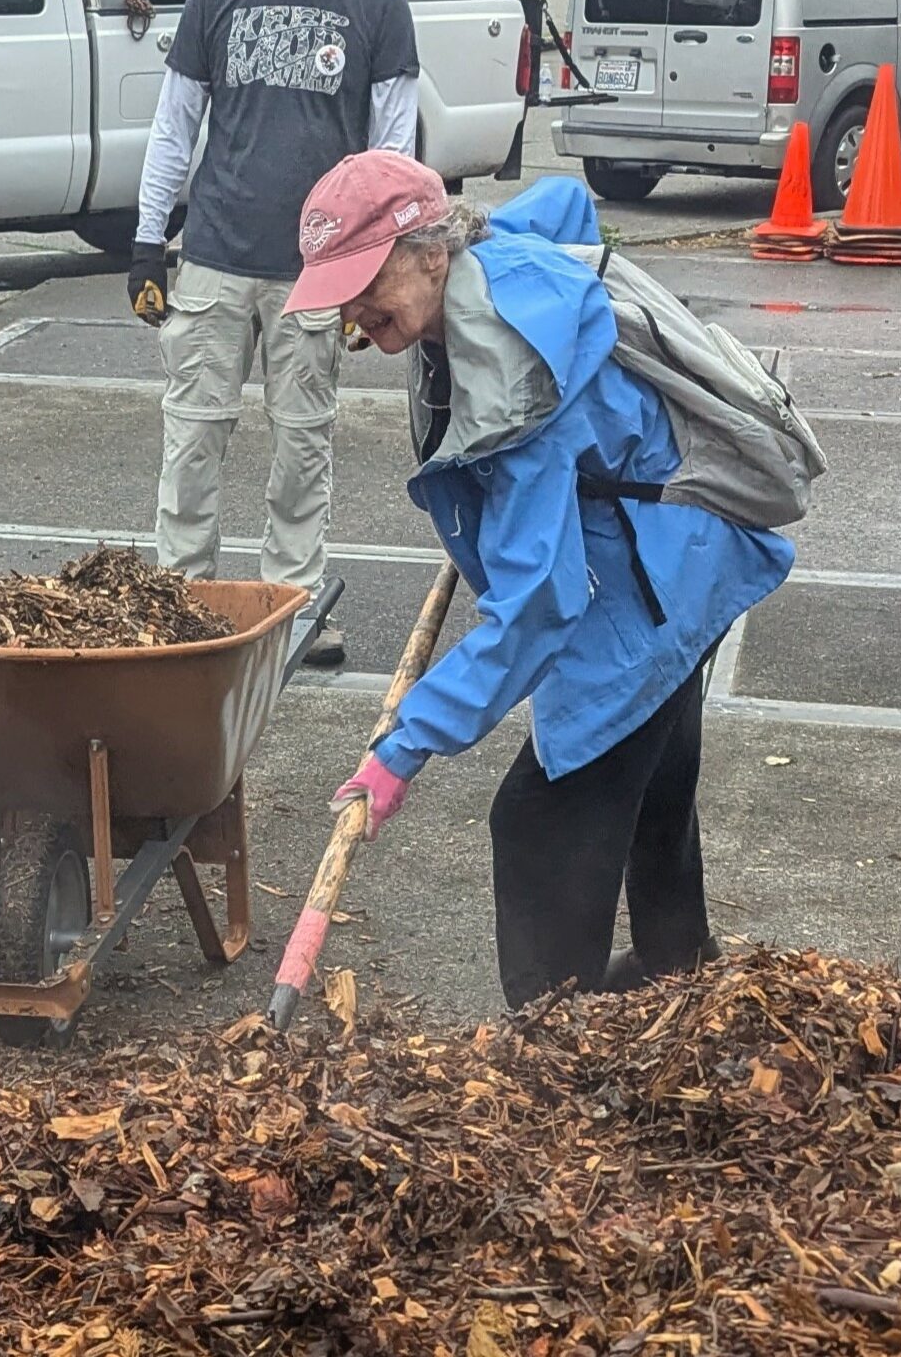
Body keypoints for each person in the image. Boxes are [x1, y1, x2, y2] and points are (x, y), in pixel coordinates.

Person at [289, 152, 796, 1009]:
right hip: (688, 551)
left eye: (364, 279)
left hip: (647, 585)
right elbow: (564, 202)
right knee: (651, 779)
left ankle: (555, 1048)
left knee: (539, 820)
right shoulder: (497, 253)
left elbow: (541, 606)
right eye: (336, 288)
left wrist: (402, 748)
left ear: (431, 252)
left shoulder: (519, 388)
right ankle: (683, 975)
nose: (351, 309)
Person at [130, 0, 421, 666]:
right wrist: (147, 240)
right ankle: (179, 598)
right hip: (214, 254)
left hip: (321, 269)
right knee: (194, 436)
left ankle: (295, 605)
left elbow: (393, 152)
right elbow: (175, 124)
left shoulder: (377, 2)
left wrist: (378, 268)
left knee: (302, 443)